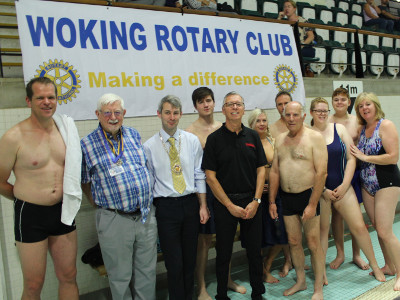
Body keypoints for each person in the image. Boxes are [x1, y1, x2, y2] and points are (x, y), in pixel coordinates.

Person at [0, 77, 81, 300]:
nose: (47, 102)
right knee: (34, 284)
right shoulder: (13, 137)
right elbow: (0, 181)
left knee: (68, 275)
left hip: (63, 211)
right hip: (31, 215)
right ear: (29, 101)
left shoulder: (64, 130)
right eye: (40, 98)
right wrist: (24, 198)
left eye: (51, 97)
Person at [80, 93, 156, 300]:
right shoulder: (86, 144)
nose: (113, 117)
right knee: (119, 276)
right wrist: (98, 203)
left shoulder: (133, 134)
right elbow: (84, 180)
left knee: (146, 272)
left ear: (124, 113)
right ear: (97, 114)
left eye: (117, 112)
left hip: (145, 216)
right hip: (114, 218)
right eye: (107, 113)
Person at [310, 97, 385, 285]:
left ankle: (375, 266)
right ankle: (321, 273)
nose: (322, 114)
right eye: (318, 110)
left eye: (324, 110)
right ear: (311, 112)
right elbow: (307, 168)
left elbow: (352, 159)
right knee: (322, 233)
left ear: (328, 112)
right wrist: (324, 190)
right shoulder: (307, 134)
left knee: (359, 227)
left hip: (343, 186)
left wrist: (345, 184)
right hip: (321, 191)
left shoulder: (339, 129)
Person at [143, 95, 209, 300]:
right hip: (165, 208)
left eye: (175, 113)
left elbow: (199, 174)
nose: (171, 117)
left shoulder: (191, 141)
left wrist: (203, 205)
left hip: (190, 204)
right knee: (174, 262)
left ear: (180, 114)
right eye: (167, 112)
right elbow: (149, 182)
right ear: (159, 114)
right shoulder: (149, 146)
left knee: (190, 259)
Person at [202, 92, 267, 300]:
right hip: (224, 203)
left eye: (238, 104)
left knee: (255, 251)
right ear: (223, 110)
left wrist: (256, 201)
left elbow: (261, 169)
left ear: (243, 108)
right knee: (223, 253)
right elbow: (210, 177)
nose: (235, 108)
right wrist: (229, 205)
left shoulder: (253, 136)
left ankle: (258, 292)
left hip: (251, 201)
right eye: (230, 105)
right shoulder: (214, 140)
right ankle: (221, 294)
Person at [186, 87, 246, 300]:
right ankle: (201, 287)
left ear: (214, 103)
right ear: (195, 106)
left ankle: (226, 279)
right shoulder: (190, 132)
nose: (206, 105)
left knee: (225, 239)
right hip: (204, 193)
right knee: (203, 241)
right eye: (201, 101)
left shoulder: (224, 127)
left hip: (226, 189)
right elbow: (193, 169)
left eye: (209, 100)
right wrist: (200, 200)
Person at [268, 101, 326, 299]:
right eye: (288, 115)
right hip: (286, 197)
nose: (291, 119)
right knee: (293, 241)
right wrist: (272, 201)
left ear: (302, 116)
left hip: (307, 196)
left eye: (295, 115)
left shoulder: (314, 138)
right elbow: (275, 171)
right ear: (284, 117)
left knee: (313, 242)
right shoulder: (280, 139)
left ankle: (318, 287)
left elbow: (321, 173)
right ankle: (301, 281)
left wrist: (311, 204)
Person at [350, 92, 400, 291]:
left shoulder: (385, 125)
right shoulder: (362, 128)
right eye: (360, 106)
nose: (364, 108)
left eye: (368, 104)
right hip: (366, 184)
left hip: (386, 181)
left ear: (375, 105)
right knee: (378, 229)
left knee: (386, 231)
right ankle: (389, 265)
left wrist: (366, 157)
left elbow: (393, 157)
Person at [247, 109, 292, 284]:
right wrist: (257, 187)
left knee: (283, 232)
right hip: (257, 196)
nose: (262, 124)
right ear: (251, 124)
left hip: (276, 193)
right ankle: (261, 272)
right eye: (258, 121)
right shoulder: (248, 143)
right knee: (258, 236)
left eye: (264, 120)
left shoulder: (273, 141)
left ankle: (268, 263)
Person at [328, 87, 369, 270]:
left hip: (354, 172)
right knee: (336, 215)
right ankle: (340, 253)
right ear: (332, 102)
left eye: (343, 100)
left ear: (349, 102)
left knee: (356, 217)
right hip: (335, 173)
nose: (339, 103)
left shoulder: (357, 121)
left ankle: (357, 254)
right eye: (336, 99)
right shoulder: (326, 121)